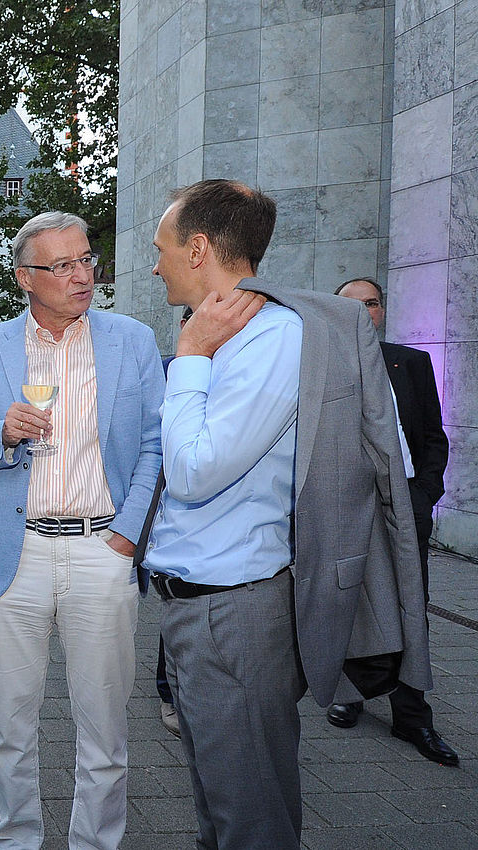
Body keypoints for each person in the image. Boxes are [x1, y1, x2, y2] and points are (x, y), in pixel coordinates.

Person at [145, 180, 430, 850]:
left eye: (160, 249)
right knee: (220, 805)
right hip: (204, 612)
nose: (153, 264)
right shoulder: (227, 336)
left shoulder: (269, 340)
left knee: (252, 819)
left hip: (235, 617)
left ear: (197, 249)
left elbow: (191, 471)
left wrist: (188, 358)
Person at [0, 210, 164, 850]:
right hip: (17, 553)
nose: (82, 275)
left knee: (104, 727)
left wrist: (127, 534)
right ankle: (16, 839)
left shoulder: (131, 340)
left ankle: (95, 842)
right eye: (62, 265)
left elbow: (156, 445)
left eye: (87, 260)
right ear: (25, 278)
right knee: (10, 725)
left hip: (103, 547)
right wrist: (1, 433)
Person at [330, 278, 457, 765]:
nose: (363, 312)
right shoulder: (320, 367)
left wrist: (424, 495)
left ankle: (412, 716)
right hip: (348, 505)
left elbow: (432, 436)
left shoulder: (412, 363)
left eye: (372, 303)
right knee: (350, 600)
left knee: (410, 604)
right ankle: (351, 692)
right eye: (352, 306)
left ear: (382, 310)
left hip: (405, 503)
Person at [154, 304, 193, 738]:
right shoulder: (166, 370)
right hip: (168, 512)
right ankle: (168, 690)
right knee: (175, 606)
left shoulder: (239, 367)